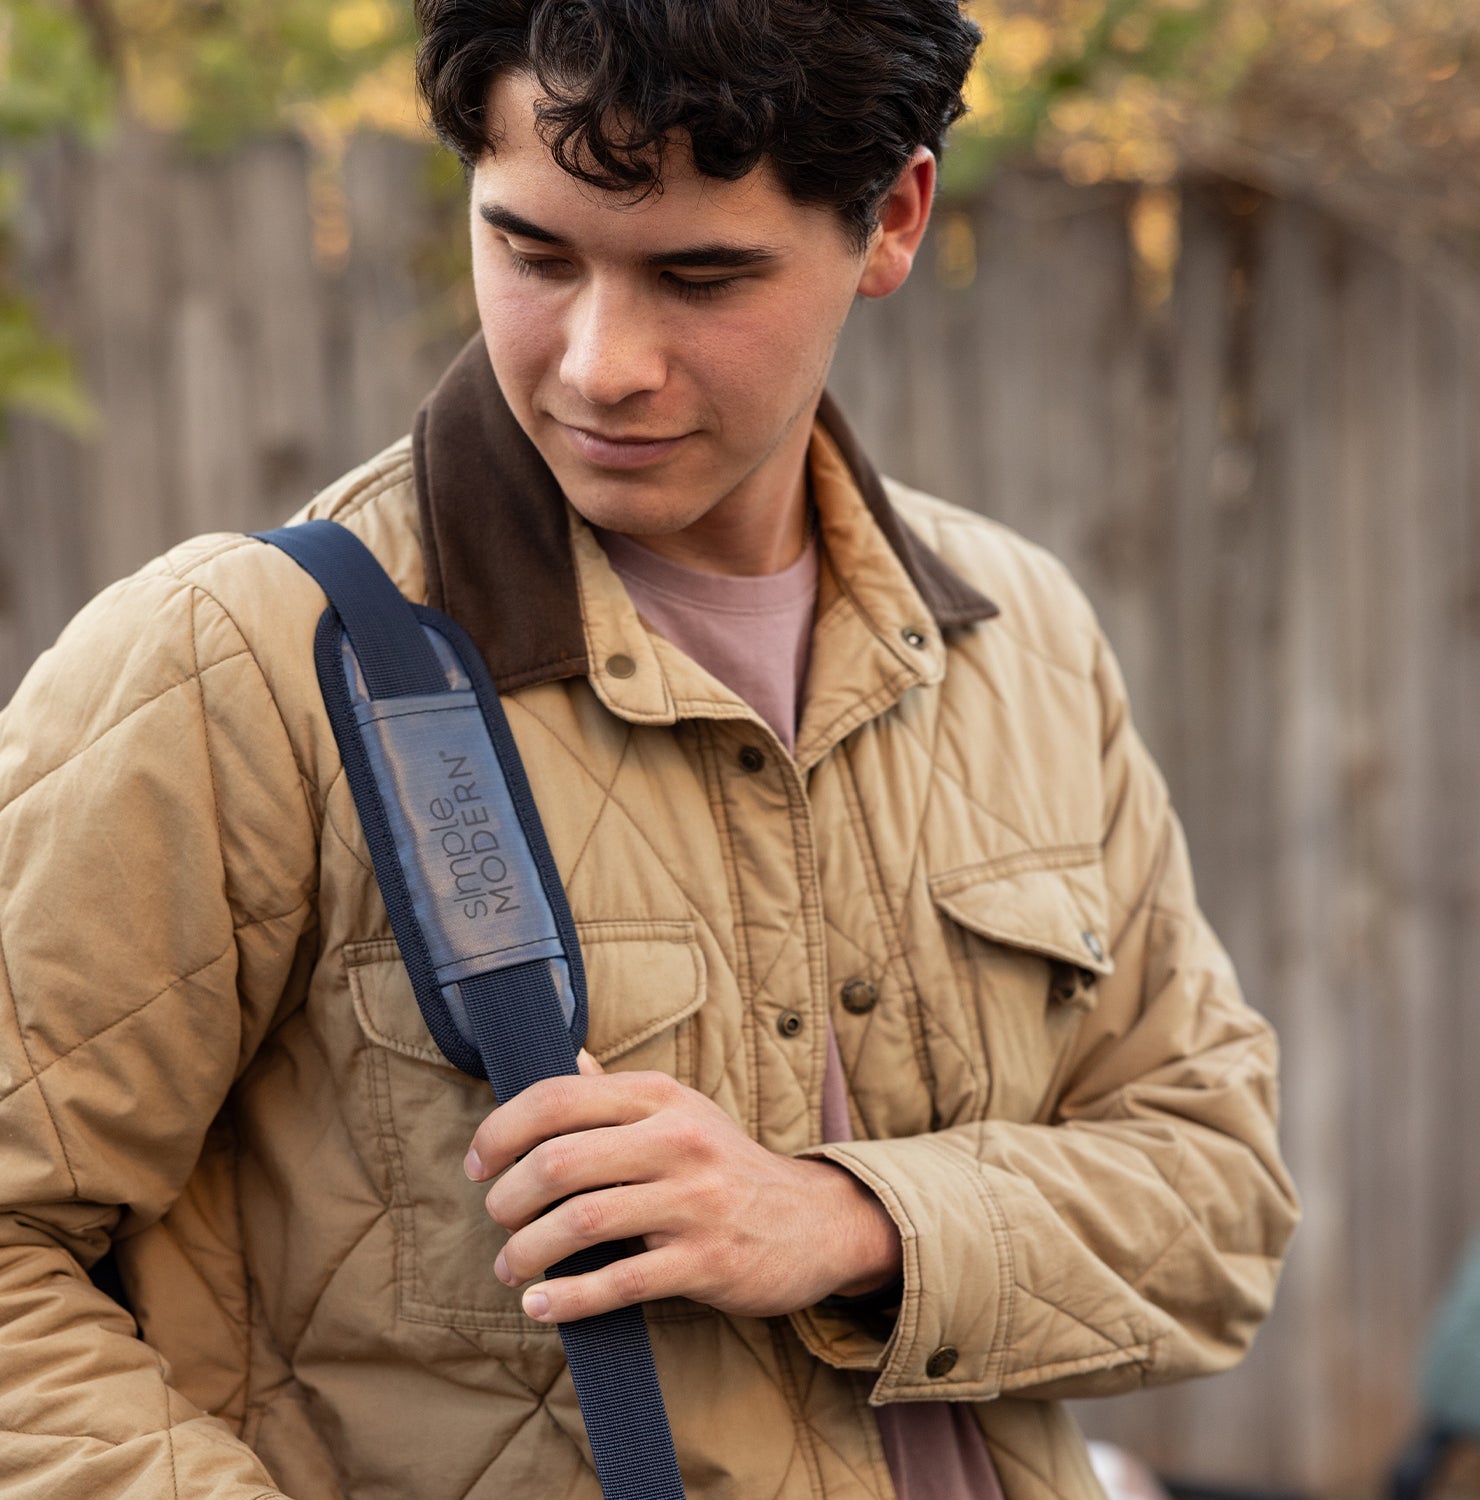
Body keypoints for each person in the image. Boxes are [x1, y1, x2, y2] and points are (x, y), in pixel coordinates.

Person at [0, 2, 1299, 1496]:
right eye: (534, 254)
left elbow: (1221, 1211)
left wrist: (846, 1221)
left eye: (700, 276)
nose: (600, 362)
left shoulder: (1022, 639)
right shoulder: (238, 661)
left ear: (891, 221)